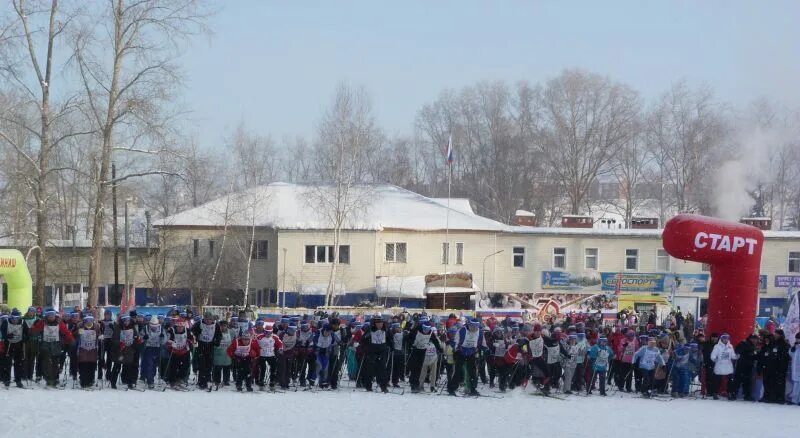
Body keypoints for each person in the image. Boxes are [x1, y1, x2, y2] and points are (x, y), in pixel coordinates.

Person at [31, 309, 74, 388]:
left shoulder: (59, 323)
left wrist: (71, 340)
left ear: (55, 316)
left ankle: (55, 378)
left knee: (55, 362)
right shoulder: (42, 322)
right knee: (47, 362)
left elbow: (66, 332)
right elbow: (35, 330)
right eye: (49, 315)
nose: (51, 317)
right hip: (45, 344)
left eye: (52, 315)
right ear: (47, 316)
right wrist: (34, 329)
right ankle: (49, 379)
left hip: (56, 344)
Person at [448, 318, 486, 396]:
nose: (475, 328)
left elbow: (483, 344)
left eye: (476, 326)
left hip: (471, 353)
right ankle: (451, 388)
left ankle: (472, 389)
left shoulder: (480, 332)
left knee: (472, 373)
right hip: (461, 353)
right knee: (458, 372)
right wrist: (457, 349)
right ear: (469, 325)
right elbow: (455, 342)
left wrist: (484, 351)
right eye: (473, 326)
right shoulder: (462, 330)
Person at [407, 319, 442, 393]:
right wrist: (411, 344)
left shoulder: (430, 332)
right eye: (425, 328)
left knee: (419, 369)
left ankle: (417, 384)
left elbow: (435, 340)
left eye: (427, 329)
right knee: (414, 368)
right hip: (415, 350)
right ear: (422, 327)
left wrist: (439, 348)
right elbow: (409, 338)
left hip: (423, 351)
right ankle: (413, 384)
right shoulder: (416, 330)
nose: (426, 330)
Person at [361, 314, 391, 393]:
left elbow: (390, 339)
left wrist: (391, 346)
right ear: (375, 323)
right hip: (371, 353)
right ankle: (368, 386)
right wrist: (365, 348)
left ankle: (383, 386)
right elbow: (363, 340)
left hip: (382, 352)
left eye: (381, 323)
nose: (380, 325)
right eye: (378, 323)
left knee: (382, 370)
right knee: (370, 370)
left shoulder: (386, 330)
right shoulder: (370, 330)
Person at [192, 312, 221, 390]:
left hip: (210, 345)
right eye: (207, 319)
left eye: (210, 319)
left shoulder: (216, 325)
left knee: (209, 363)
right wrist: (197, 333)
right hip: (201, 345)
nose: (208, 321)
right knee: (202, 364)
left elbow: (219, 335)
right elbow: (193, 331)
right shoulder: (199, 323)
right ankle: (201, 381)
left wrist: (217, 342)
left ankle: (208, 379)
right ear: (204, 319)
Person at [227, 328, 260, 392]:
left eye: (247, 339)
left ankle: (248, 385)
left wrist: (255, 356)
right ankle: (239, 385)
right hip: (238, 358)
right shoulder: (236, 342)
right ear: (242, 338)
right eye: (244, 339)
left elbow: (258, 350)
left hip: (248, 358)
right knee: (240, 372)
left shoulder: (253, 342)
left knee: (248, 371)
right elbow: (229, 350)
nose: (246, 341)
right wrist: (233, 357)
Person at [1, 309, 27, 388]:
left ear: (19, 318)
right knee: (7, 363)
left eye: (17, 318)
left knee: (18, 363)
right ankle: (7, 379)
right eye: (13, 318)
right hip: (9, 344)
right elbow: (3, 332)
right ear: (11, 317)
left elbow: (27, 332)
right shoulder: (6, 322)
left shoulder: (23, 322)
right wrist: (7, 336)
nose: (15, 320)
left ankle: (18, 380)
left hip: (19, 344)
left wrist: (25, 338)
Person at [165, 317, 192, 389]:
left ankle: (179, 379)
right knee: (173, 366)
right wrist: (171, 343)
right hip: (174, 351)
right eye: (178, 327)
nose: (180, 328)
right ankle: (172, 381)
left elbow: (191, 338)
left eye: (181, 327)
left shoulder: (187, 330)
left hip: (184, 350)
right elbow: (167, 340)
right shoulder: (171, 330)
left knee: (186, 365)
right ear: (176, 326)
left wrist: (193, 342)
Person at [75, 316, 101, 389]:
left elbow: (99, 335)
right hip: (83, 350)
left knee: (91, 366)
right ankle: (83, 381)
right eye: (87, 321)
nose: (89, 323)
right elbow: (76, 335)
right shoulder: (82, 328)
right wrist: (78, 331)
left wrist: (100, 337)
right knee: (83, 366)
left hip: (92, 350)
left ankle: (90, 381)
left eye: (90, 321)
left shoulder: (96, 328)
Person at [730, 334, 758, 401]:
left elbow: (754, 355)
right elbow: (737, 350)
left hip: (749, 366)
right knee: (738, 380)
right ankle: (733, 394)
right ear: (750, 338)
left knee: (747, 381)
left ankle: (747, 395)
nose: (754, 340)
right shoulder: (743, 343)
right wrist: (749, 352)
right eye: (753, 339)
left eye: (755, 339)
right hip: (742, 365)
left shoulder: (753, 345)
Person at [709, 333, 737, 400]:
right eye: (724, 338)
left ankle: (730, 393)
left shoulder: (730, 346)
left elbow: (733, 355)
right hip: (720, 365)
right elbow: (713, 355)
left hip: (728, 365)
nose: (725, 339)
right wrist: (714, 359)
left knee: (730, 380)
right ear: (721, 339)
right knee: (717, 380)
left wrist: (736, 356)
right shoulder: (717, 346)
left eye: (727, 338)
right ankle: (715, 393)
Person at [212, 319, 233, 388]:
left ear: (227, 326)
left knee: (227, 368)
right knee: (217, 368)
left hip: (227, 354)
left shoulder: (231, 332)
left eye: (225, 326)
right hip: (218, 353)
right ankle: (216, 381)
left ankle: (226, 380)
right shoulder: (215, 332)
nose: (223, 327)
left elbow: (234, 341)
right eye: (221, 326)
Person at [789, 333, 800, 405]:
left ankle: (796, 399)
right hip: (795, 369)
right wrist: (792, 349)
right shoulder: (795, 346)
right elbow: (791, 354)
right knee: (796, 384)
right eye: (796, 338)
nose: (796, 340)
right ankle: (794, 399)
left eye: (798, 338)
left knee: (798, 385)